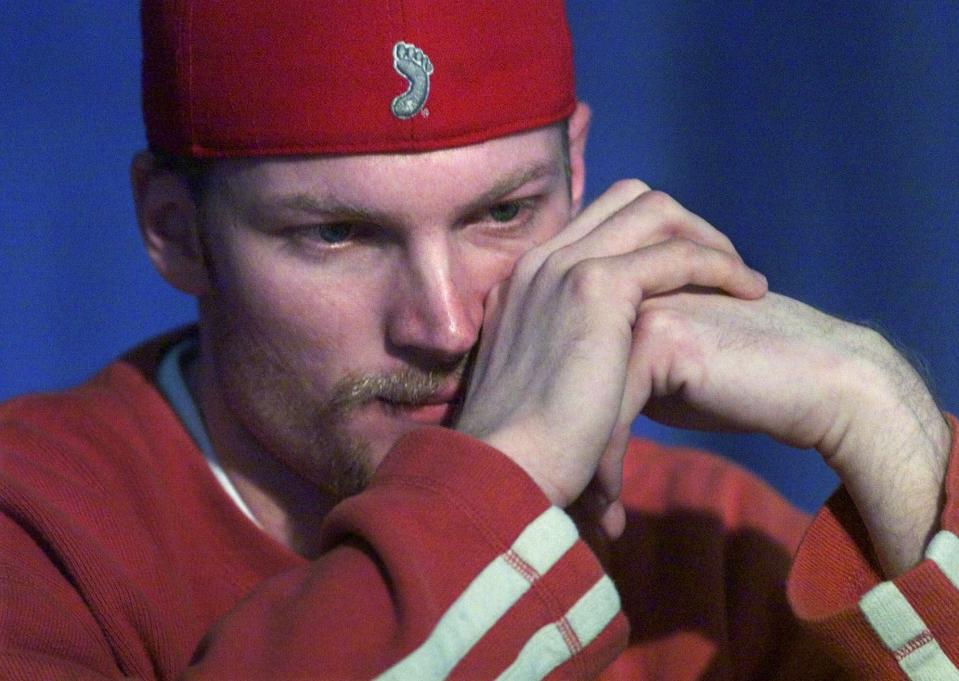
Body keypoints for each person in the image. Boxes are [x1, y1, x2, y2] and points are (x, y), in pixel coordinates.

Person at [1, 1, 957, 679]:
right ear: (174, 229)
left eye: (500, 213)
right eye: (335, 234)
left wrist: (884, 415)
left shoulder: (697, 540)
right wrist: (511, 474)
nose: (446, 324)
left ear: (577, 173)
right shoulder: (37, 535)